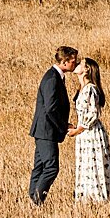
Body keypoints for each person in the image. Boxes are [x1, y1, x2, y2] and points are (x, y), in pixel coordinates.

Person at [29, 45, 79, 205]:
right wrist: (63, 126)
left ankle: (33, 199)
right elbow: (51, 109)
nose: (75, 63)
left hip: (44, 130)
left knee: (40, 166)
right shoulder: (52, 79)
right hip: (46, 130)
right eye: (73, 61)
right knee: (51, 167)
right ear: (64, 61)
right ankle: (37, 200)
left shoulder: (54, 76)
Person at [68, 57, 110, 202]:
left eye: (80, 63)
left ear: (87, 69)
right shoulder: (81, 89)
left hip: (91, 132)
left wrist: (78, 130)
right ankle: (87, 197)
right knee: (86, 164)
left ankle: (97, 197)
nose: (76, 64)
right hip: (84, 132)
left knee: (93, 164)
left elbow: (93, 113)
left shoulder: (90, 89)